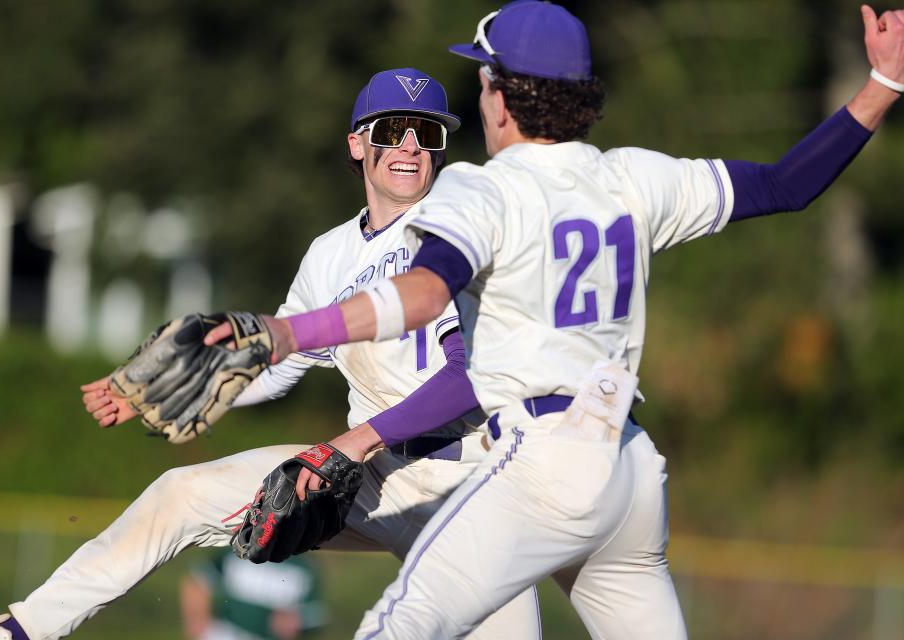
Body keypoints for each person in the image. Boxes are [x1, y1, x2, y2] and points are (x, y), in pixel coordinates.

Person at [205, 2, 904, 638]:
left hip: (542, 460)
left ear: (504, 99)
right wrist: (884, 84)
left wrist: (291, 332)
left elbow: (420, 296)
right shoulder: (633, 177)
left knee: (399, 626)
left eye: (483, 82)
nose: (482, 97)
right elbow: (789, 184)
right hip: (627, 466)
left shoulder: (482, 188)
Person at [0, 68, 541, 640]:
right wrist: (177, 389)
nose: (410, 145)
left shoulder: (457, 233)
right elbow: (283, 364)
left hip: (471, 483)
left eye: (427, 133)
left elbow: (474, 377)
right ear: (359, 145)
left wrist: (351, 444)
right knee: (179, 494)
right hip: (370, 477)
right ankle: (20, 630)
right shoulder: (329, 254)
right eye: (392, 130)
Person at [180, 548, 326, 640]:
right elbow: (197, 582)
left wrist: (295, 620)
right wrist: (197, 617)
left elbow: (315, 615)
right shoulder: (239, 549)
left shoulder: (304, 566)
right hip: (226, 632)